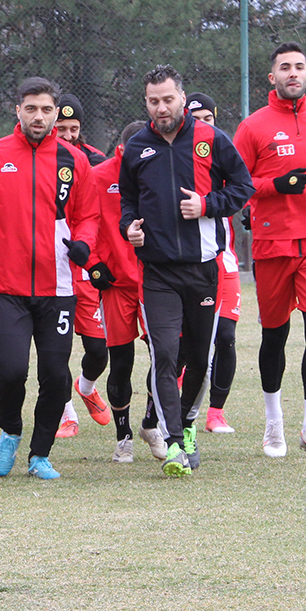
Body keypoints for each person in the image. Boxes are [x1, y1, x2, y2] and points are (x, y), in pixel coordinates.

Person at [0, 76, 100, 480]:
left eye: (46, 109)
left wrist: (84, 243)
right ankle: (10, 432)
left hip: (59, 288)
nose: (39, 116)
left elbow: (88, 215)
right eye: (31, 108)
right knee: (13, 371)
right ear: (17, 110)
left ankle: (40, 455)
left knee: (56, 374)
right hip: (4, 287)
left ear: (56, 113)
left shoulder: (74, 160)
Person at [121, 65, 253, 476]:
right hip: (157, 273)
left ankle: (190, 425)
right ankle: (174, 443)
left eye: (168, 99)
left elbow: (244, 188)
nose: (161, 107)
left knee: (199, 356)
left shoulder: (212, 139)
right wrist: (131, 227)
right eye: (153, 101)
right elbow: (126, 200)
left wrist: (207, 206)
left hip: (202, 271)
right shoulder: (137, 146)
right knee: (165, 354)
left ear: (182, 98)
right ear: (146, 103)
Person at [233, 43, 306, 458]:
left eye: (299, 67)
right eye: (284, 68)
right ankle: (273, 424)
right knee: (274, 334)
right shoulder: (253, 127)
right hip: (271, 244)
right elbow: (236, 184)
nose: (292, 73)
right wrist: (275, 186)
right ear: (272, 77)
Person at [53, 93, 112, 437]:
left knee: (97, 349)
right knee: (56, 348)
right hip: (51, 271)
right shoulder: (39, 161)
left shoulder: (94, 161)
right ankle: (66, 414)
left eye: (74, 128)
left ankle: (87, 388)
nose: (69, 135)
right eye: (62, 128)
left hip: (86, 269)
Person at [92, 122, 152, 463]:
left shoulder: (160, 169)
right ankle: (123, 436)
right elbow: (86, 220)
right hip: (116, 284)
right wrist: (96, 265)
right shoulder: (101, 177)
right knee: (121, 363)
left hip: (156, 281)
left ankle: (151, 422)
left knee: (169, 357)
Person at [186, 93, 241, 434]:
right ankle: (178, 409)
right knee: (185, 343)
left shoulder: (221, 151)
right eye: (197, 118)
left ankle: (215, 413)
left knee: (226, 335)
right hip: (183, 263)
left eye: (209, 117)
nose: (204, 125)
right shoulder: (174, 156)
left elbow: (242, 188)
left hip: (224, 259)